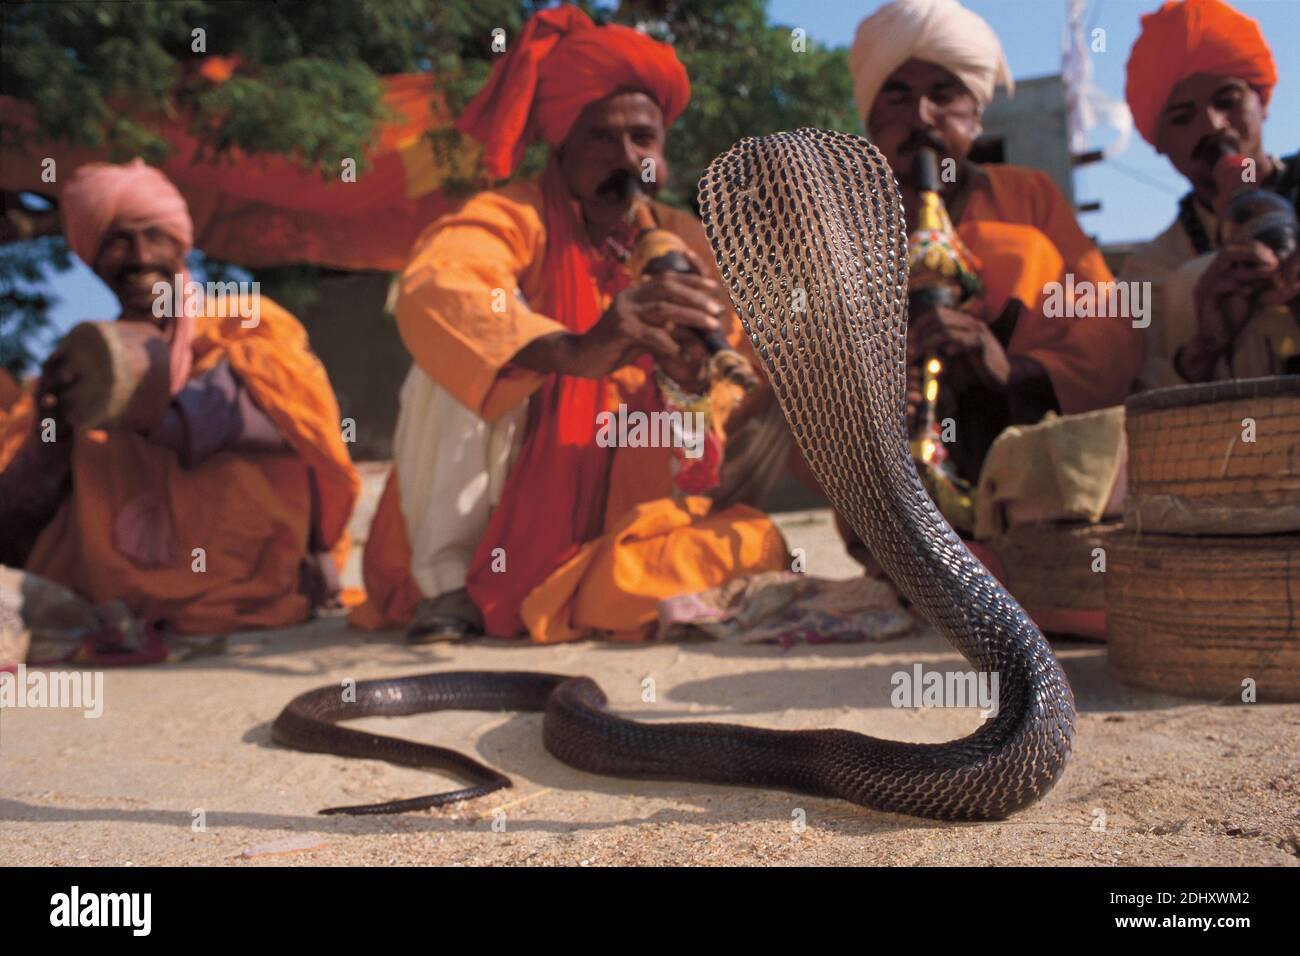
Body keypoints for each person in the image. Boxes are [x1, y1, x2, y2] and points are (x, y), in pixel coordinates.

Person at [353, 6, 786, 643]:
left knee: (755, 540)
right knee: (449, 363)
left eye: (643, 139)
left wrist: (689, 383)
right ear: (560, 150)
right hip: (502, 516)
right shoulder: (511, 216)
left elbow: (716, 419)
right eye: (600, 140)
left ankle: (588, 584)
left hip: (621, 513)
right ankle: (449, 590)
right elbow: (438, 287)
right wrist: (580, 350)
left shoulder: (685, 242)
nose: (627, 158)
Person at [0, 160, 358, 644]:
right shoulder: (74, 366)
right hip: (108, 597)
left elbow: (297, 428)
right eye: (116, 240)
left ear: (180, 242)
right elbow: (14, 515)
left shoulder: (243, 327)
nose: (139, 256)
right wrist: (56, 427)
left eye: (154, 235)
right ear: (91, 255)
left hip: (248, 588)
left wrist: (144, 405)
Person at [849, 0, 1144, 484]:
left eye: (943, 96)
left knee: (1022, 254)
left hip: (1027, 452)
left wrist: (1014, 366)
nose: (922, 118)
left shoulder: (1028, 195)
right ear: (871, 121)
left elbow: (1109, 327)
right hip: (895, 478)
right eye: (897, 99)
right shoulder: (845, 230)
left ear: (975, 114)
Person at [1120, 0, 1299, 387]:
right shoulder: (1150, 271)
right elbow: (1137, 413)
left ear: (1262, 103)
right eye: (1183, 117)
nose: (1212, 125)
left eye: (1228, 101)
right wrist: (1204, 346)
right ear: (1159, 142)